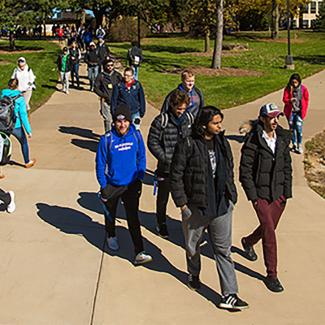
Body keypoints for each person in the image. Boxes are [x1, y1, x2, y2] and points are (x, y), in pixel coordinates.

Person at [170, 106, 249, 311]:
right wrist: (183, 205)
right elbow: (176, 175)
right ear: (204, 125)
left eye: (220, 122)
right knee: (192, 247)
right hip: (196, 207)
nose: (219, 126)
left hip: (221, 205)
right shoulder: (187, 143)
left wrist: (231, 196)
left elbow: (229, 167)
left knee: (223, 250)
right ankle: (194, 273)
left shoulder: (222, 142)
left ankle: (229, 294)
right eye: (216, 123)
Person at [239, 103, 292, 293]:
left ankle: (248, 241)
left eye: (277, 117)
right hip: (260, 195)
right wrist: (253, 197)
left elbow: (287, 167)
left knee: (267, 227)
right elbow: (244, 171)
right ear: (262, 119)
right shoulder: (253, 141)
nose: (275, 120)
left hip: (278, 195)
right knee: (270, 231)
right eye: (271, 117)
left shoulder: (283, 139)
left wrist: (286, 193)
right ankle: (272, 275)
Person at [96, 104, 152, 265]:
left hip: (132, 183)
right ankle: (111, 235)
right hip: (112, 184)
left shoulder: (136, 135)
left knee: (133, 217)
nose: (122, 125)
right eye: (119, 121)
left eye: (125, 121)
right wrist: (104, 185)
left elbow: (141, 157)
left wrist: (140, 177)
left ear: (129, 121)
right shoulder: (106, 139)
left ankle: (139, 251)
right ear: (114, 122)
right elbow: (100, 164)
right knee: (110, 214)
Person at [147, 90, 194, 238]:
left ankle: (188, 224)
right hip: (166, 168)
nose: (181, 111)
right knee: (163, 199)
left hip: (185, 167)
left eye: (184, 108)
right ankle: (161, 223)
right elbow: (152, 142)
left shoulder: (189, 119)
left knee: (187, 197)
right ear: (172, 105)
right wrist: (165, 158)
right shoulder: (161, 120)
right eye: (179, 108)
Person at [1, 79, 36, 168]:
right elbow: (23, 115)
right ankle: (27, 162)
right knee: (23, 142)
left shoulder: (2, 95)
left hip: (3, 124)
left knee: (1, 144)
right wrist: (28, 130)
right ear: (17, 86)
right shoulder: (20, 98)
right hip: (15, 126)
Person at [282, 73, 309, 154]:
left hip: (299, 112)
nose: (294, 84)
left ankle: (299, 144)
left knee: (299, 128)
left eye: (296, 82)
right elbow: (284, 99)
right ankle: (294, 143)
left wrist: (303, 108)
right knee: (292, 129)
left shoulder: (303, 89)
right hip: (290, 112)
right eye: (293, 82)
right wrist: (290, 100)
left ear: (299, 82)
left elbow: (307, 99)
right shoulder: (288, 89)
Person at [94, 59, 123, 133]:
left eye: (111, 65)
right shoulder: (101, 76)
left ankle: (116, 134)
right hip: (106, 101)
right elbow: (96, 88)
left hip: (117, 102)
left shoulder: (117, 75)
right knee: (108, 120)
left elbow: (123, 86)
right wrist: (103, 95)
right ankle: (108, 135)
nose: (110, 67)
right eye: (108, 66)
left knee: (117, 119)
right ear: (105, 66)